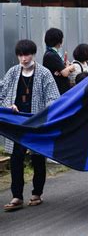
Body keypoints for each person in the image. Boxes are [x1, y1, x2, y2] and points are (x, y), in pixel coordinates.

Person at [0, 40, 60, 211]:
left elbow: (53, 98)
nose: (24, 58)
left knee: (38, 158)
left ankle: (37, 193)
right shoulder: (13, 72)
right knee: (16, 159)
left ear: (33, 54)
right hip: (17, 123)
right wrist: (9, 105)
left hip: (36, 123)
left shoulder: (44, 73)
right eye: (20, 55)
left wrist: (45, 113)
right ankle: (16, 196)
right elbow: (2, 94)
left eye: (26, 54)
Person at [42, 28, 75, 94]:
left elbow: (62, 70)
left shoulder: (52, 53)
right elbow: (65, 73)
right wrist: (70, 67)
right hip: (58, 90)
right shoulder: (52, 55)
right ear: (59, 40)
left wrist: (64, 68)